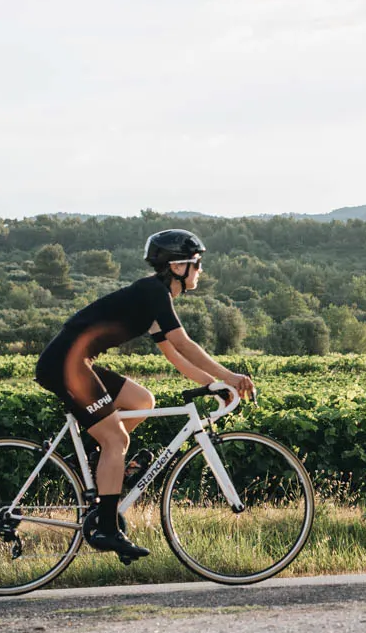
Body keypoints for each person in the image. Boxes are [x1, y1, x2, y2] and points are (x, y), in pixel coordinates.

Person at [33, 228, 256, 561]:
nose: (201, 271)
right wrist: (229, 377)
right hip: (66, 364)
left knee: (141, 401)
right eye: (197, 264)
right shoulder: (154, 291)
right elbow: (183, 343)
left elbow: (173, 353)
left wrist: (211, 384)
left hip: (74, 361)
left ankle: (96, 463)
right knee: (116, 440)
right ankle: (108, 528)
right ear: (178, 266)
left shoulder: (153, 298)